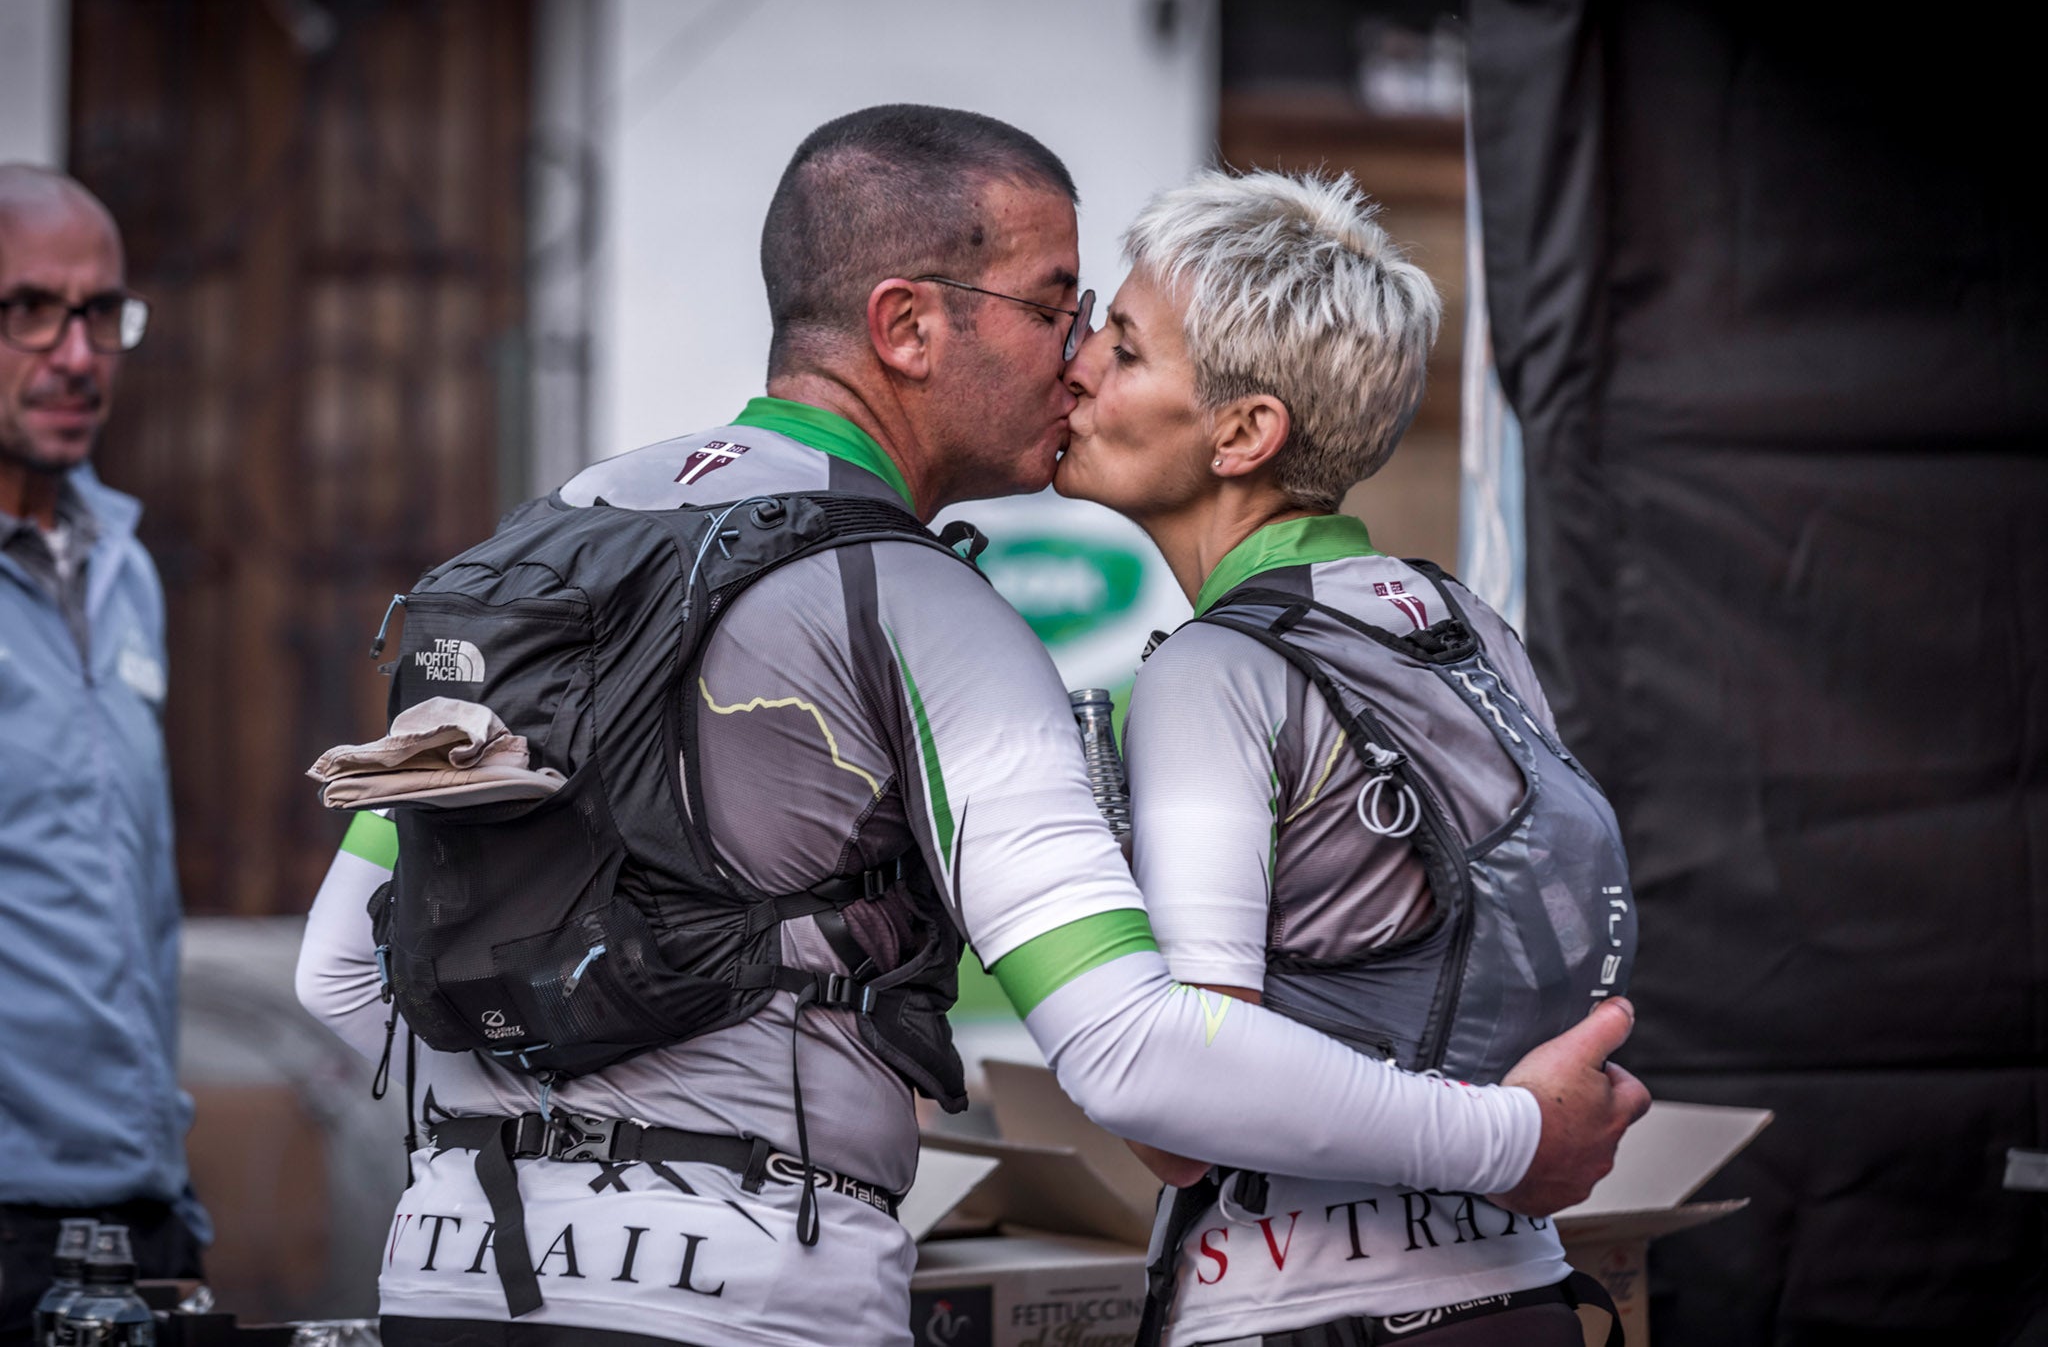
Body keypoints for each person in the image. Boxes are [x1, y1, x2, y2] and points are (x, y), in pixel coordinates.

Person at [295, 106, 1648, 1347]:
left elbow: (339, 981)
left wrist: (546, 1157)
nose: (1076, 357)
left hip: (447, 1272)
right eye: (1060, 307)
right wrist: (1508, 1134)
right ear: (909, 327)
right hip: (765, 1295)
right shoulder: (926, 607)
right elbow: (1132, 1048)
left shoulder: (565, 532)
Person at [1057, 167, 1642, 1345]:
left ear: (1242, 433)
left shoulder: (1211, 670)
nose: (1074, 367)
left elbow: (1176, 1125)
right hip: (1518, 1289)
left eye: (1122, 349)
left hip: (1302, 1309)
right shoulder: (1463, 624)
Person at [0, 166, 207, 1339]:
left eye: (101, 313)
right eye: (31, 309)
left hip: (139, 1206)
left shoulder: (122, 568)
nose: (76, 354)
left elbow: (130, 901)